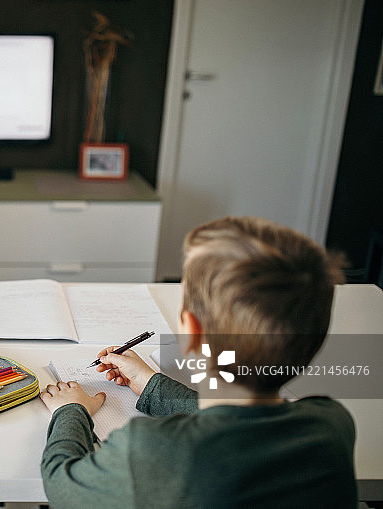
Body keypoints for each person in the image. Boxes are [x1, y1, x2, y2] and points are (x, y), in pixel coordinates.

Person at [40, 216, 356, 508]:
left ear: (192, 332)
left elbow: (60, 483)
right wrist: (151, 385)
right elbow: (239, 424)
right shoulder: (331, 425)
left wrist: (71, 410)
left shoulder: (151, 451)